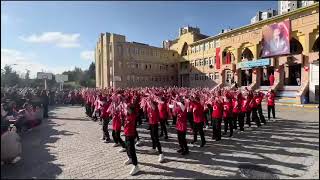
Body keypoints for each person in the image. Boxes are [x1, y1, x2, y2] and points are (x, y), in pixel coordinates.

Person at [123, 99, 140, 175]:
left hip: (131, 135)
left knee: (132, 149)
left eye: (128, 108)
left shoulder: (133, 116)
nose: (126, 109)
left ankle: (136, 166)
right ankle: (130, 158)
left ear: (131, 109)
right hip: (126, 133)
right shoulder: (128, 115)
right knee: (127, 147)